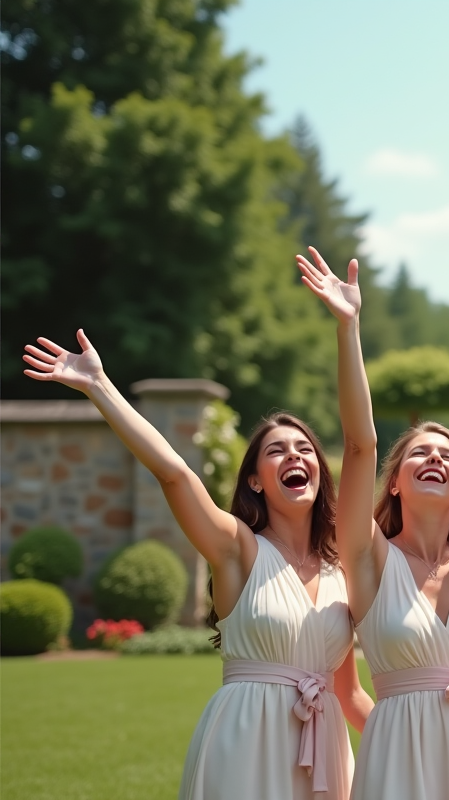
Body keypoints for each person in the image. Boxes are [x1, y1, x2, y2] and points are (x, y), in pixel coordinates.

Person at [23, 250, 374, 800]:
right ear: (255, 480)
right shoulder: (236, 549)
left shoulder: (342, 568)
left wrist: (415, 743)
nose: (293, 457)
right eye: (276, 451)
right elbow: (173, 474)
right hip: (245, 742)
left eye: (304, 448)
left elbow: (350, 695)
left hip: (324, 753)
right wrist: (100, 387)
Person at [295, 248, 449, 800]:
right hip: (399, 757)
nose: (435, 460)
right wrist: (349, 330)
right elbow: (358, 443)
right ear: (393, 482)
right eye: (419, 454)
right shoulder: (368, 559)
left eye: (447, 455)